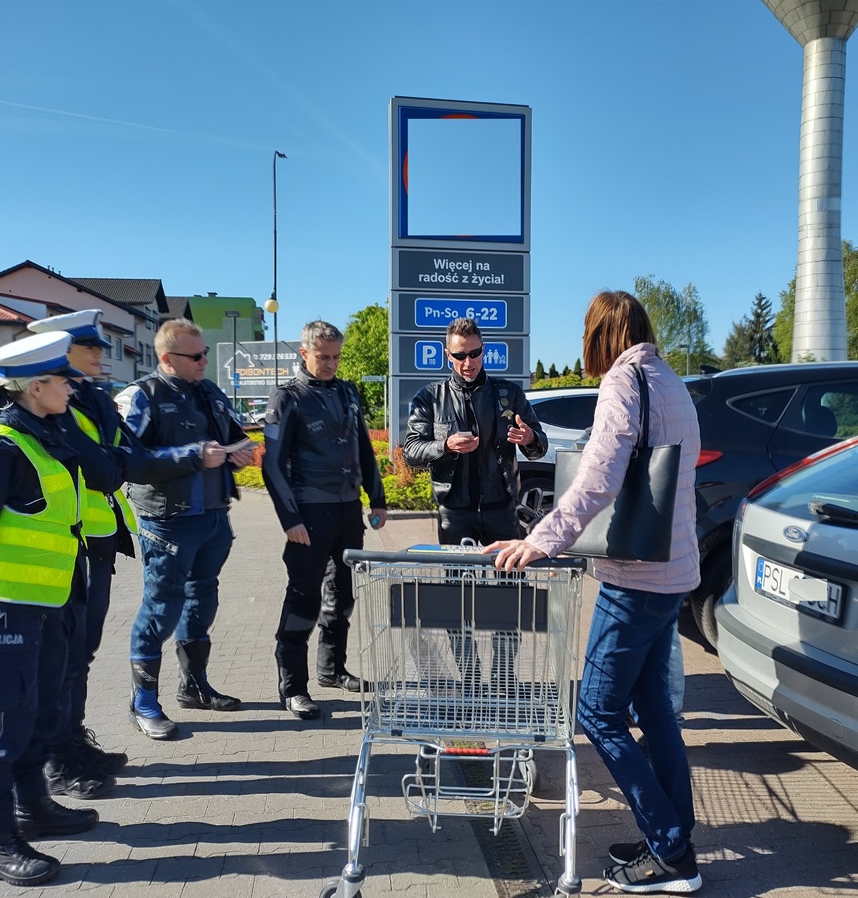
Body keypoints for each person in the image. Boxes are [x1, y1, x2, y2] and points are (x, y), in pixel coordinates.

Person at [487, 290, 704, 895]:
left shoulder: (622, 382)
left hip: (635, 579)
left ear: (599, 334)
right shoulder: (668, 380)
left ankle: (670, 852)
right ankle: (674, 837)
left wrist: (544, 538)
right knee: (655, 712)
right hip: (672, 572)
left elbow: (602, 475)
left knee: (597, 711)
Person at [0, 332, 102, 886]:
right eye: (64, 380)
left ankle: (34, 807)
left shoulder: (49, 437)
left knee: (43, 714)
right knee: (5, 724)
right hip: (5, 610)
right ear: (38, 387)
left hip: (47, 604)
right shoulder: (1, 448)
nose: (73, 387)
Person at [27, 311, 203, 790]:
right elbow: (111, 468)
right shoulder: (52, 406)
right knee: (59, 660)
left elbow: (131, 459)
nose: (103, 355)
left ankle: (73, 744)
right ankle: (55, 762)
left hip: (96, 540)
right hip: (63, 546)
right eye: (93, 347)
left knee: (81, 654)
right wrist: (125, 462)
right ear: (62, 352)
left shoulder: (88, 399)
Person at [115, 320, 256, 740]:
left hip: (213, 517)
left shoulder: (209, 392)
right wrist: (192, 455)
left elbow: (232, 435)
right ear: (166, 359)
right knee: (161, 608)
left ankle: (194, 686)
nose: (204, 361)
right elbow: (128, 458)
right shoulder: (142, 396)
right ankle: (143, 703)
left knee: (202, 599)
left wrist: (239, 452)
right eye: (195, 356)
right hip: (168, 521)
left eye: (205, 353)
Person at [402, 316, 547, 689]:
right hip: (455, 512)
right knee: (457, 598)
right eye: (461, 356)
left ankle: (503, 674)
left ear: (484, 350)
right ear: (447, 355)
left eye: (476, 353)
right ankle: (469, 675)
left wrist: (529, 436)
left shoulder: (508, 393)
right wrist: (444, 446)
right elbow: (411, 452)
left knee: (508, 593)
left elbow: (538, 445)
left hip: (502, 508)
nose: (469, 362)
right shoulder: (429, 398)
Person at [261, 320, 387, 720]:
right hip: (309, 515)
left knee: (343, 596)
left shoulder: (347, 391)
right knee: (303, 599)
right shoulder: (287, 398)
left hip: (348, 510)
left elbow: (364, 448)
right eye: (322, 357)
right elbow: (272, 467)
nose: (331, 363)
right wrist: (289, 519)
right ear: (304, 353)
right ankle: (293, 687)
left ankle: (332, 669)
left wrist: (377, 498)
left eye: (335, 356)